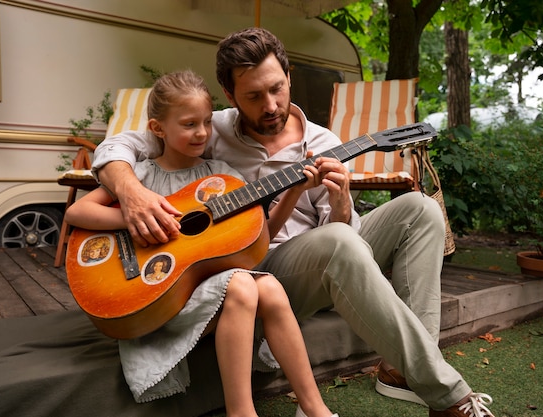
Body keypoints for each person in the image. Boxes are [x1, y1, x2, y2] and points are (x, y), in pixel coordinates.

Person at [91, 28, 496, 417]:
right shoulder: (206, 129)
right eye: (253, 96)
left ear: (289, 77)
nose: (269, 105)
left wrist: (339, 201)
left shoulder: (322, 142)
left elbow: (348, 238)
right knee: (337, 241)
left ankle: (403, 371)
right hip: (253, 269)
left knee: (420, 209)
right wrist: (131, 193)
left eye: (276, 88)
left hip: (321, 258)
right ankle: (448, 395)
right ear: (230, 96)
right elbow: (118, 145)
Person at [65, 70, 337, 417]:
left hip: (201, 288)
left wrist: (293, 192)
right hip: (157, 292)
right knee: (242, 283)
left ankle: (315, 409)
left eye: (207, 122)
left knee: (268, 287)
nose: (202, 133)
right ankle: (241, 412)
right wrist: (138, 217)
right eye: (190, 124)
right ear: (158, 129)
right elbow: (77, 212)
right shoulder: (143, 175)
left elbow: (260, 233)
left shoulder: (220, 177)